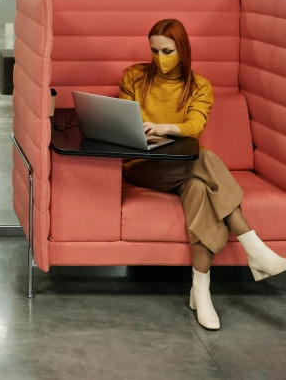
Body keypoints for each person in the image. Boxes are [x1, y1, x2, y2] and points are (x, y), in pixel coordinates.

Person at [119, 18, 286, 331]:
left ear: (182, 50)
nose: (159, 57)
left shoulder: (199, 86)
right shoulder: (134, 76)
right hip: (141, 165)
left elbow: (195, 126)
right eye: (154, 50)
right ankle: (255, 248)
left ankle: (201, 290)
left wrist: (167, 128)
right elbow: (123, 122)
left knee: (198, 186)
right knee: (205, 158)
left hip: (184, 166)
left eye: (167, 50)